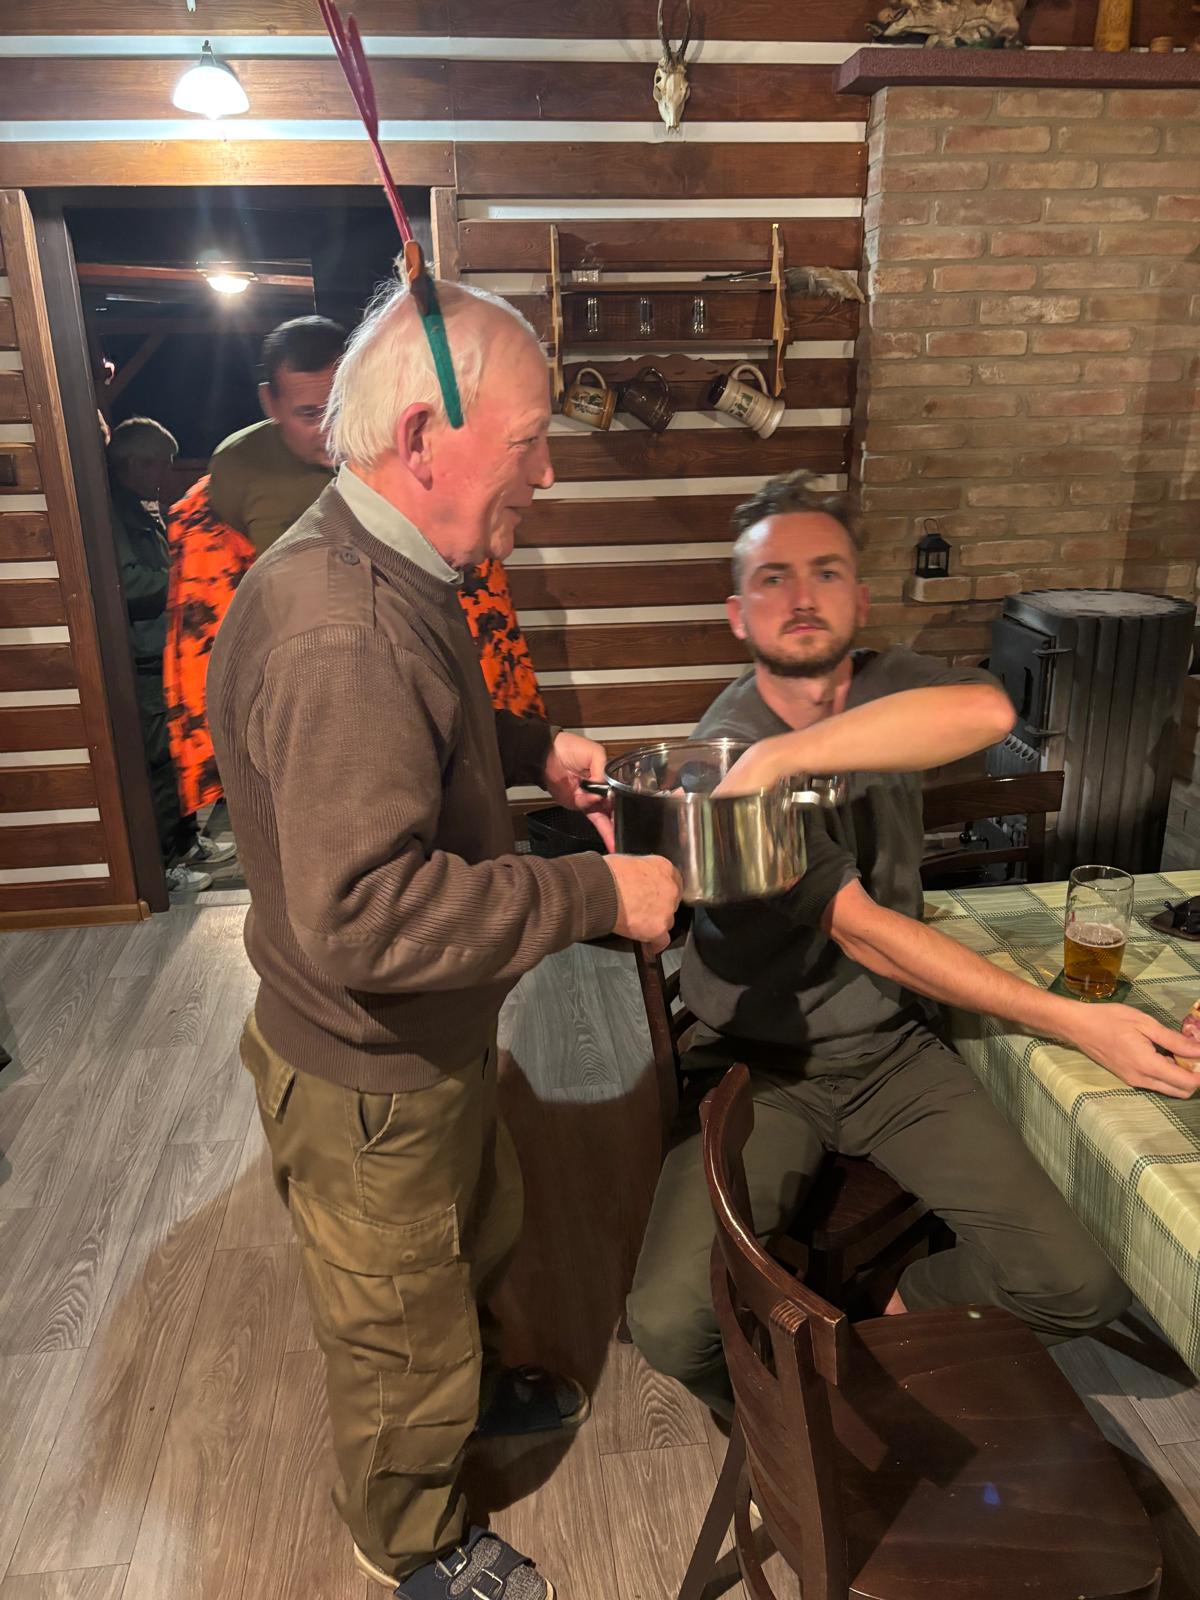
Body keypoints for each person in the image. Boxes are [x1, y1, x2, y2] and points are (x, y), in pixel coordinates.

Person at [206, 277, 681, 1599]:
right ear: (425, 439)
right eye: (528, 440)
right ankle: (409, 1536)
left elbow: (421, 729)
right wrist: (596, 895)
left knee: (467, 1242)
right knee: (397, 1333)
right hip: (370, 1074)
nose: (547, 471)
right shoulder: (343, 629)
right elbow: (364, 917)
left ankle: (464, 1394)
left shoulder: (385, 564)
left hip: (430, 1039)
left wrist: (535, 748)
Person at [626, 469, 1200, 1418]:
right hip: (764, 1064)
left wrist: (790, 754)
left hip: (895, 1051)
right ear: (737, 613)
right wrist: (1077, 1021)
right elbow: (868, 934)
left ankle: (887, 1338)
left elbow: (992, 712)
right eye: (772, 578)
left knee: (1082, 1286)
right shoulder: (727, 747)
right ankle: (795, 1423)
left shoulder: (882, 685)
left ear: (860, 598)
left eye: (825, 571)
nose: (801, 595)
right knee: (670, 1322)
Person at [166, 315, 543, 823]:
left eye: (340, 405)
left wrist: (531, 750)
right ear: (270, 403)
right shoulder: (241, 475)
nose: (330, 428)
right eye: (308, 413)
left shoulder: (393, 479)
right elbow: (363, 893)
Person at [106, 418, 235, 894]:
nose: (166, 473)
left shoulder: (137, 507)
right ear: (133, 463)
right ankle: (165, 864)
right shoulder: (113, 513)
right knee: (159, 762)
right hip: (142, 658)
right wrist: (188, 578)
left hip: (160, 652)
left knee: (176, 751)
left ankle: (186, 841)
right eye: (160, 464)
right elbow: (128, 583)